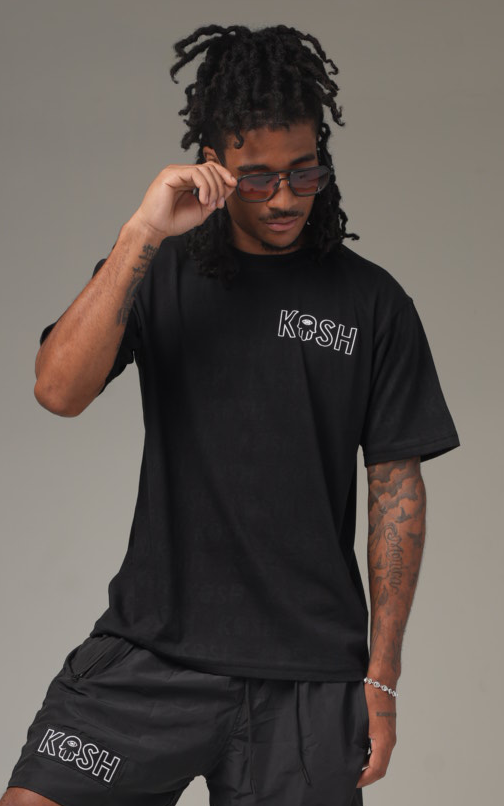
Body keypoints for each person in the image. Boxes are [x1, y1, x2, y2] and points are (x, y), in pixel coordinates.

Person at [2, 23, 460, 806]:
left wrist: (382, 678)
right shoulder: (158, 272)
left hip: (308, 683)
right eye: (257, 178)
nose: (284, 197)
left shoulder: (373, 303)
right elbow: (58, 390)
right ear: (212, 165)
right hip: (153, 660)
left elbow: (396, 491)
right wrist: (143, 231)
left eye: (303, 171)